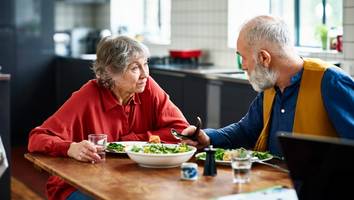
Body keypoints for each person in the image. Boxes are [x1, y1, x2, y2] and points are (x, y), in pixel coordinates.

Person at [27, 36, 189, 200]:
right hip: (81, 183)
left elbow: (182, 131)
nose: (145, 74)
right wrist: (71, 148)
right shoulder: (87, 96)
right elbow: (37, 138)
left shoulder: (147, 86)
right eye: (135, 68)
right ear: (111, 71)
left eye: (145, 64)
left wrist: (132, 142)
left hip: (135, 180)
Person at [181, 15, 354, 157]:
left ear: (264, 58)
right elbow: (245, 131)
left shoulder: (331, 82)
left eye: (243, 57)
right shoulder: (271, 86)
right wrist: (208, 138)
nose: (243, 66)